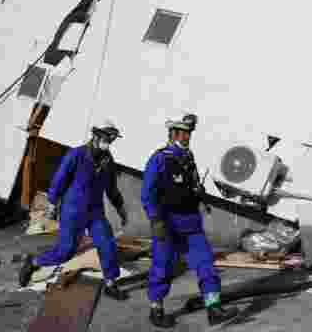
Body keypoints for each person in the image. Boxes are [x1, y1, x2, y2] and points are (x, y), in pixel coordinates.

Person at [142, 113, 240, 328]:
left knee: (206, 265)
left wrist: (200, 193)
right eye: (185, 133)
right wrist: (155, 220)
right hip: (168, 223)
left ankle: (214, 308)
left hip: (191, 223)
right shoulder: (160, 158)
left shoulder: (189, 157)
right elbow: (147, 193)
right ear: (174, 133)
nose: (188, 136)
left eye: (189, 133)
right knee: (163, 266)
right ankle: (156, 309)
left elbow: (193, 185)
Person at [18, 122, 129, 300]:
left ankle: (110, 283)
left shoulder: (108, 160)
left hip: (95, 211)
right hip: (73, 210)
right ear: (96, 136)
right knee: (66, 251)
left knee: (107, 244)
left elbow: (112, 188)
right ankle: (33, 262)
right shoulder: (76, 154)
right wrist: (52, 204)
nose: (109, 143)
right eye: (107, 138)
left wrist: (121, 209)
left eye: (112, 139)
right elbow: (59, 179)